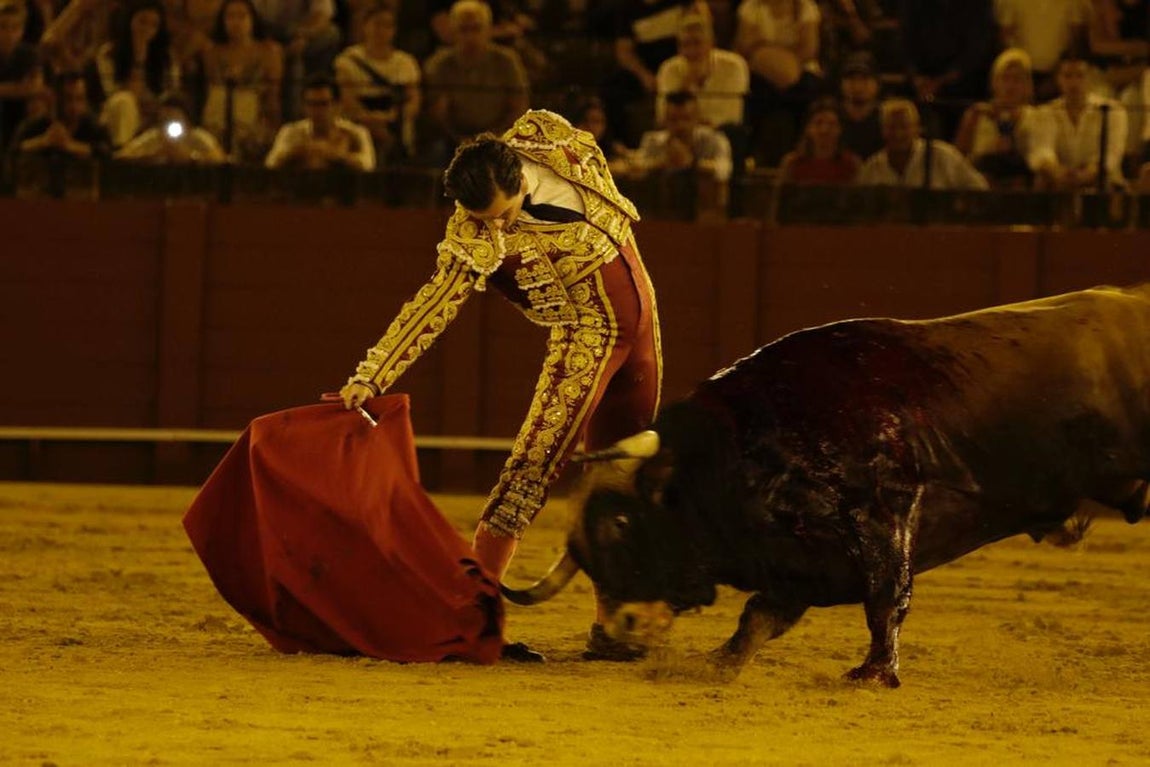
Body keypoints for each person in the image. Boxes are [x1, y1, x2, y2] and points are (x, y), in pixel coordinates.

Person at [338, 109, 662, 662]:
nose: (495, 230)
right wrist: (373, 373)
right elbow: (434, 302)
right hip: (585, 338)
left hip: (646, 323)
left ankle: (613, 625)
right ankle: (473, 622)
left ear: (517, 174)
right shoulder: (472, 232)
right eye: (482, 219)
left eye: (504, 215)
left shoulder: (549, 136)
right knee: (528, 473)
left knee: (626, 478)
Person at [421, 0, 528, 163]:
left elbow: (518, 107)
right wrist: (460, 139)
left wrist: (493, 137)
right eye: (463, 29)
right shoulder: (439, 64)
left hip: (500, 135)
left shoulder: (507, 61)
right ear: (453, 32)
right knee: (435, 152)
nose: (470, 36)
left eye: (476, 29)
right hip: (453, 139)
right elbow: (437, 116)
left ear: (489, 30)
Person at [334, 2, 420, 164]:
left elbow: (413, 101)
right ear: (365, 26)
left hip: (395, 128)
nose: (381, 30)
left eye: (387, 25)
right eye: (377, 24)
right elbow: (348, 101)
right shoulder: (348, 60)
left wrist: (390, 118)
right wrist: (370, 121)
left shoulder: (406, 63)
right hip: (358, 127)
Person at [85, 0, 179, 147]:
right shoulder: (108, 54)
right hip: (117, 115)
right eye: (142, 22)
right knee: (124, 102)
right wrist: (138, 60)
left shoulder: (166, 58)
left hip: (154, 117)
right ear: (130, 21)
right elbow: (114, 94)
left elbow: (171, 95)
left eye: (153, 25)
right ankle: (124, 157)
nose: (146, 29)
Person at [1029, 52, 1129, 190]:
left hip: (1102, 186)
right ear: (1058, 79)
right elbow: (1041, 151)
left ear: (1090, 78)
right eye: (1068, 76)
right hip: (1058, 185)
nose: (1074, 82)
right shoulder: (1045, 112)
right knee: (1042, 178)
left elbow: (1111, 155)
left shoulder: (1113, 110)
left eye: (1080, 75)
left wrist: (1086, 175)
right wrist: (1058, 173)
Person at [201, 0, 284, 162]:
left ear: (252, 19)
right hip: (218, 118)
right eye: (230, 16)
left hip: (255, 116)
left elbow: (273, 95)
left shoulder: (268, 52)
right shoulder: (213, 53)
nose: (236, 22)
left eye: (242, 16)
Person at [954, 47, 1043, 188]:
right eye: (1005, 78)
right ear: (994, 82)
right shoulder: (976, 114)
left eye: (1017, 79)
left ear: (1027, 85)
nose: (1010, 86)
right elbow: (958, 158)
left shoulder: (1037, 117)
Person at [856, 97, 990, 189]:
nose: (898, 133)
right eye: (892, 127)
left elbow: (979, 188)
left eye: (904, 126)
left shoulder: (943, 156)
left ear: (917, 129)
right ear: (882, 130)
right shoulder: (872, 169)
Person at [265, 74, 375, 170]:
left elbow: (367, 165)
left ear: (337, 106)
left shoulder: (356, 132)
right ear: (304, 106)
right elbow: (271, 163)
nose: (317, 111)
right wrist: (296, 151)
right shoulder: (290, 131)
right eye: (311, 104)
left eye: (323, 104)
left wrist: (336, 156)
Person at [995, 0, 1091, 101]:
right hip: (1022, 75)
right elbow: (1005, 37)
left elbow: (1075, 39)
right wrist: (1021, 77)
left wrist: (1056, 76)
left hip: (1058, 74)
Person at [10, 71, 111, 161]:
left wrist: (71, 146)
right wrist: (43, 142)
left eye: (79, 99)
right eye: (68, 99)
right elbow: (12, 152)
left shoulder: (93, 127)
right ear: (56, 99)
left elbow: (108, 153)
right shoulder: (35, 125)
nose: (74, 106)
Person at [115, 91, 227, 162]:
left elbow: (219, 160)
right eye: (164, 121)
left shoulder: (198, 138)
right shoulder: (153, 138)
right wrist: (153, 156)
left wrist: (190, 157)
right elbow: (122, 156)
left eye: (174, 120)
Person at [777, 96, 859, 184]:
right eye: (818, 123)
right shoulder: (792, 163)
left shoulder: (851, 164)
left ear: (840, 129)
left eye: (832, 124)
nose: (824, 130)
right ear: (808, 128)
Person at [0, 0, 42, 152]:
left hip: (20, 117)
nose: (9, 34)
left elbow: (35, 88)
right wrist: (18, 89)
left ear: (22, 30)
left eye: (14, 27)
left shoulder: (29, 55)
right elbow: (25, 88)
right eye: (3, 27)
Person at [837, 48, 882, 160]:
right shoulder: (831, 117)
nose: (857, 86)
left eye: (864, 79)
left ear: (877, 83)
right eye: (851, 79)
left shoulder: (885, 118)